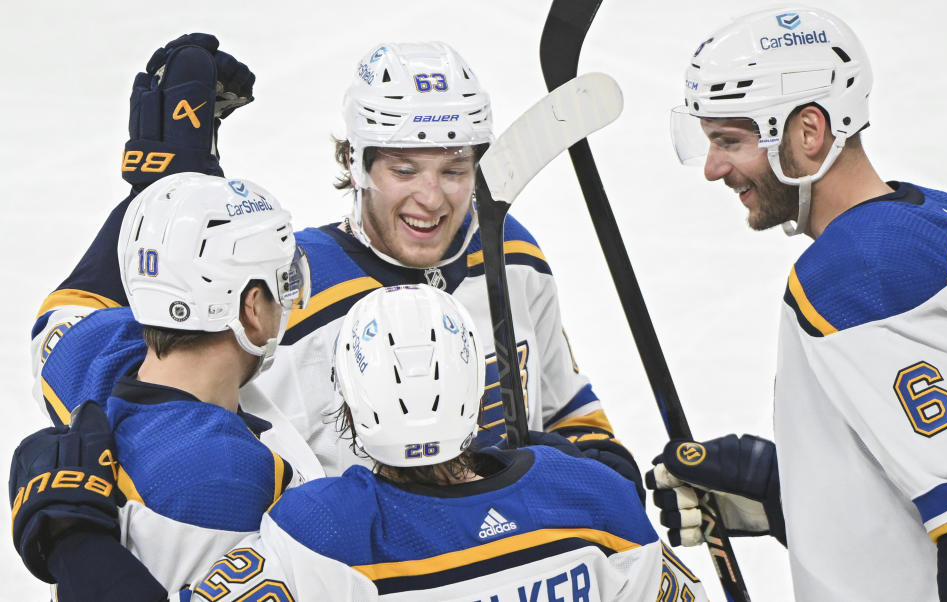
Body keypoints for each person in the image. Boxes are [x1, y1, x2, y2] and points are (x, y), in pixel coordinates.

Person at [32, 39, 643, 490]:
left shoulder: (513, 253)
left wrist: (605, 471)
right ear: (356, 163)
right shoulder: (277, 286)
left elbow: (566, 406)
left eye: (455, 169)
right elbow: (141, 397)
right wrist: (158, 200)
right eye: (404, 169)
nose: (432, 198)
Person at [12, 285, 707, 601]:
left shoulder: (326, 530)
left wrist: (77, 541)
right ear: (478, 389)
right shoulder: (592, 498)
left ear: (344, 403)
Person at [647, 6, 947, 601]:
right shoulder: (930, 218)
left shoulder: (855, 276)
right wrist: (778, 490)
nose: (714, 168)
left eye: (730, 141)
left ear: (809, 131)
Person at [15, 171, 317, 598]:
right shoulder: (234, 478)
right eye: (283, 284)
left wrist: (154, 187)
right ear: (251, 309)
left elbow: (66, 312)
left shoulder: (85, 360)